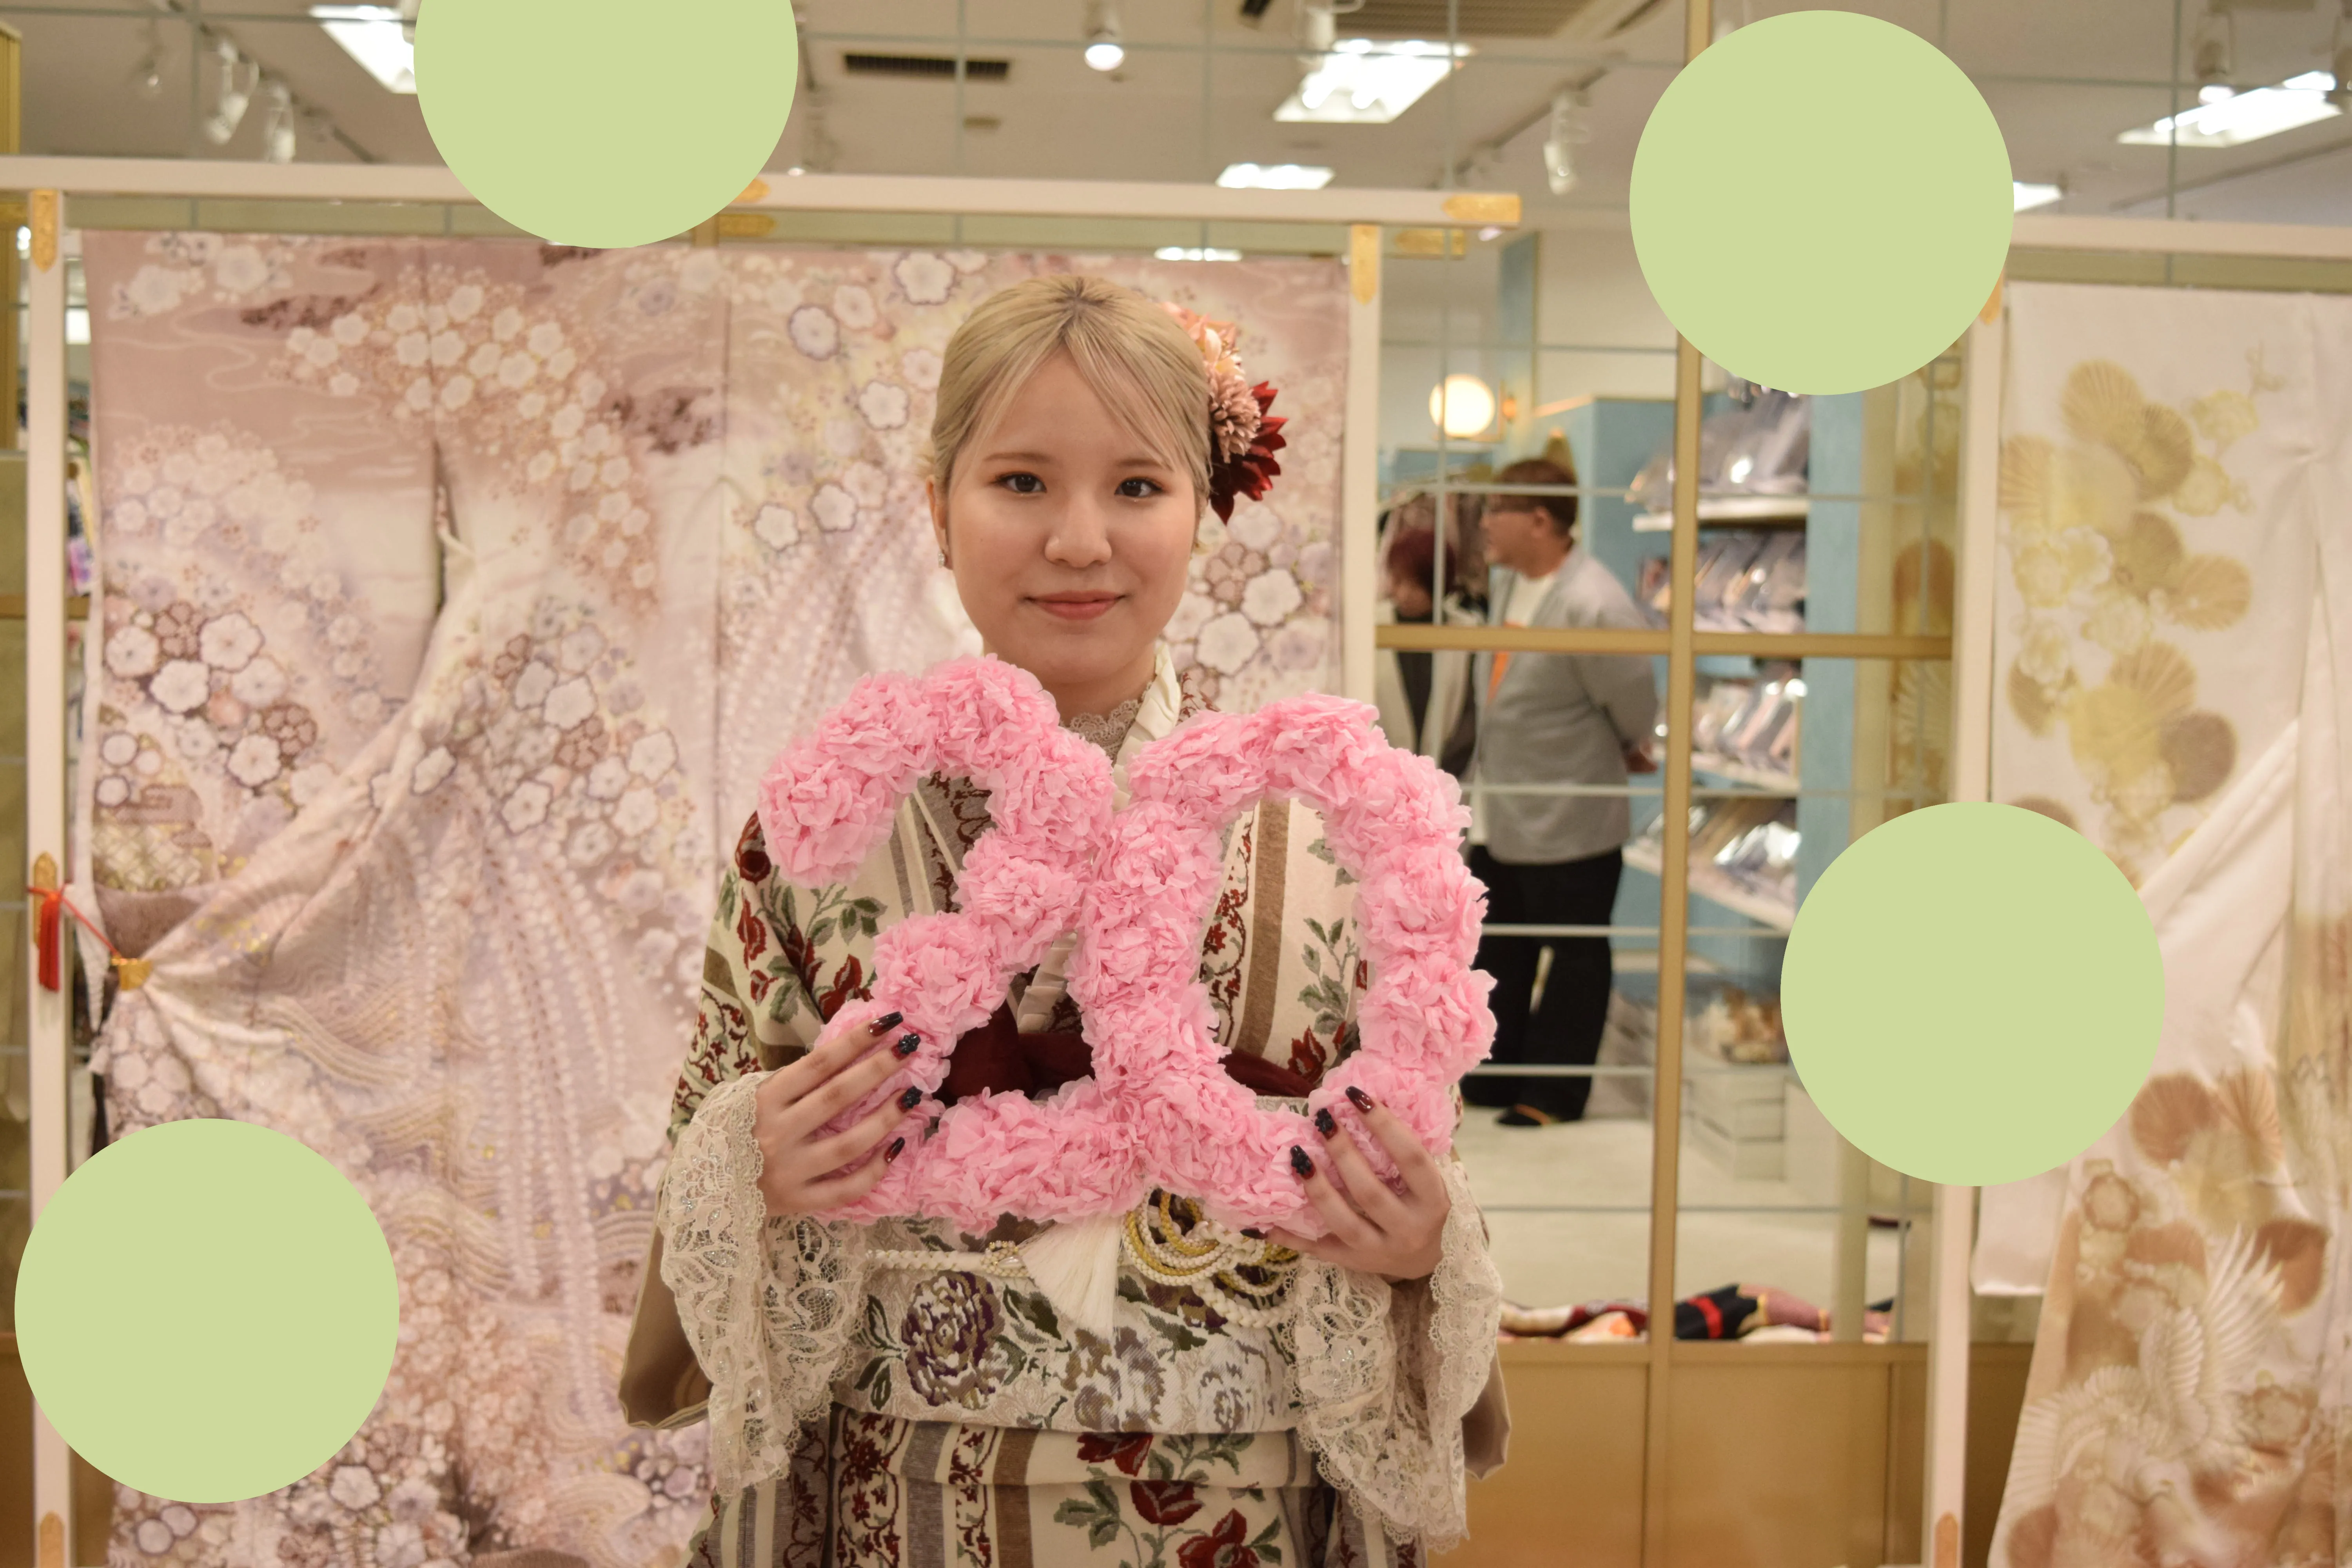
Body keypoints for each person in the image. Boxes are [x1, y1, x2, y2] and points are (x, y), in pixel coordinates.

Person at [621, 275, 1506, 1568]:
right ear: (938, 507)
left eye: (1138, 487)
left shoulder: (1329, 832)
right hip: (908, 1503)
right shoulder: (817, 837)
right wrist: (749, 1159)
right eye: (1022, 482)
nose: (1081, 540)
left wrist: (1425, 1241)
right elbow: (712, 1138)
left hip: (1243, 1505)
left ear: (1204, 512)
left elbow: (1424, 1163)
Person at [1466, 456, 1658, 1128]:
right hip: (1504, 809)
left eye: (1498, 511)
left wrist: (1630, 744)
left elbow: (1635, 704)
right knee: (1502, 946)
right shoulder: (1509, 587)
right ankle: (1497, 1075)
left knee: (1574, 951)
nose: (1486, 523)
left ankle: (1552, 1095)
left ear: (1541, 520)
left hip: (1569, 811)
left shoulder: (1594, 602)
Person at [1372, 505, 1479, 779]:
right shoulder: (1374, 626)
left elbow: (1469, 717)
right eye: (1398, 581)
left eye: (1416, 584)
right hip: (1378, 778)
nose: (1405, 594)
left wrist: (1442, 776)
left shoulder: (1465, 631)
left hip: (1446, 776)